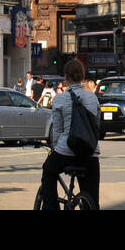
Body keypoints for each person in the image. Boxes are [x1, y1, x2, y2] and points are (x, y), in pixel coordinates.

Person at [37, 58, 101, 210]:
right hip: (90, 152)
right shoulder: (92, 97)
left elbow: (57, 131)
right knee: (91, 196)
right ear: (82, 76)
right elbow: (97, 126)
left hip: (66, 151)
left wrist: (55, 148)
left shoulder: (60, 99)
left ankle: (51, 207)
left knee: (48, 170)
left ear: (66, 78)